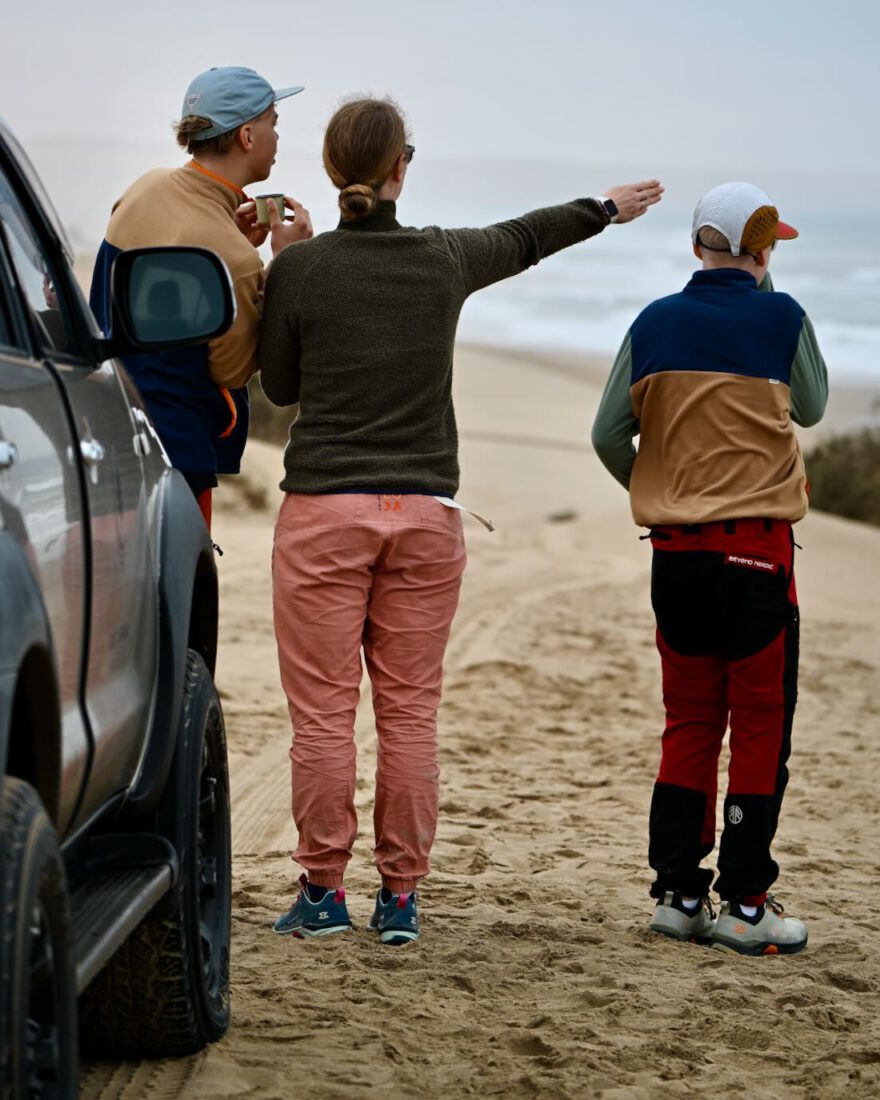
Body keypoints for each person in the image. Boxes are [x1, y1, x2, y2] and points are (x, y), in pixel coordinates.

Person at [259, 95, 664, 944]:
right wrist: (606, 209)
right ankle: (400, 900)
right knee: (409, 713)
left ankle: (323, 894)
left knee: (326, 715)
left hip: (324, 512)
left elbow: (283, 389)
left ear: (333, 172)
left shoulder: (302, 268)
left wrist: (287, 262)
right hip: (425, 518)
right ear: (403, 166)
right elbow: (526, 235)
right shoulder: (444, 258)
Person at [591, 181, 828, 955]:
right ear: (762, 250)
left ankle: (679, 893)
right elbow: (816, 404)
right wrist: (771, 289)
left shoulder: (655, 321)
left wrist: (663, 494)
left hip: (677, 556)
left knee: (690, 720)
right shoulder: (782, 315)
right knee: (760, 726)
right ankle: (748, 904)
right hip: (757, 555)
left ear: (697, 246)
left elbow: (606, 435)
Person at [89, 66, 313, 529]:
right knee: (181, 591)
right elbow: (230, 372)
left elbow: (152, 299)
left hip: (107, 427)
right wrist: (284, 268)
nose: (278, 135)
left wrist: (232, 247)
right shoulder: (233, 259)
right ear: (247, 136)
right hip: (178, 451)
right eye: (274, 122)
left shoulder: (143, 189)